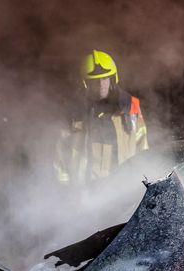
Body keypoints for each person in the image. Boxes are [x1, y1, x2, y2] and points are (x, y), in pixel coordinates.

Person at [54, 50, 148, 185]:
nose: (101, 83)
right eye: (95, 80)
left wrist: (141, 178)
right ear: (85, 83)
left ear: (112, 78)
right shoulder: (73, 113)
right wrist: (64, 188)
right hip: (85, 188)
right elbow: (61, 152)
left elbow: (142, 146)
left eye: (105, 78)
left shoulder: (131, 106)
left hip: (124, 185)